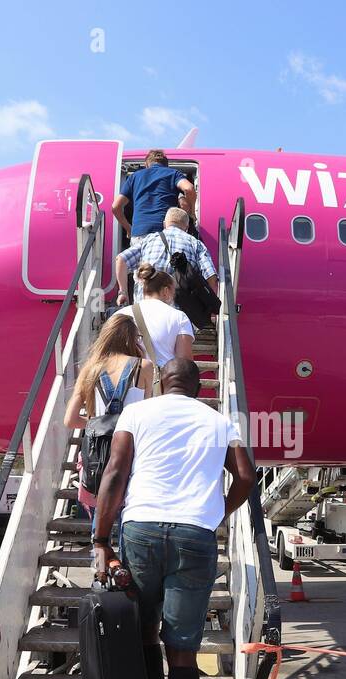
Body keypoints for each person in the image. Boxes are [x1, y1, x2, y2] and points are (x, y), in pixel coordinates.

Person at [91, 358, 255, 679]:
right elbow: (245, 477)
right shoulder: (222, 420)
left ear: (162, 384)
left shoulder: (138, 412)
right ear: (200, 387)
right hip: (194, 536)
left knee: (145, 632)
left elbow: (114, 474)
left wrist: (102, 541)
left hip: (141, 529)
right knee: (183, 652)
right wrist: (217, 512)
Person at [63, 312, 154, 531]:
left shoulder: (90, 369)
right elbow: (149, 413)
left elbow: (71, 420)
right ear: (132, 338)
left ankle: (100, 561)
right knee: (130, 516)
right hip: (132, 450)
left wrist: (99, 423)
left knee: (100, 517)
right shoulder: (144, 367)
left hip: (98, 453)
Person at [115, 208, 219, 327]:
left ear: (164, 224)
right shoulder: (195, 243)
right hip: (179, 317)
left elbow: (121, 259)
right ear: (187, 227)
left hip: (144, 313)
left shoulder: (149, 240)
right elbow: (211, 276)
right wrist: (210, 307)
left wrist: (122, 292)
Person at [113, 264, 194, 369]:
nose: (174, 297)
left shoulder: (121, 314)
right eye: (174, 292)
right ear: (166, 291)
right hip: (163, 382)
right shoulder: (179, 317)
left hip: (129, 380)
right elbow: (184, 361)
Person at [112, 149, 195, 242]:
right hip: (164, 231)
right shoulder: (173, 173)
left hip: (139, 232)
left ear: (147, 165)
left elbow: (116, 207)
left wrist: (129, 229)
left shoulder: (134, 177)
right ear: (166, 165)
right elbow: (189, 188)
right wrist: (192, 212)